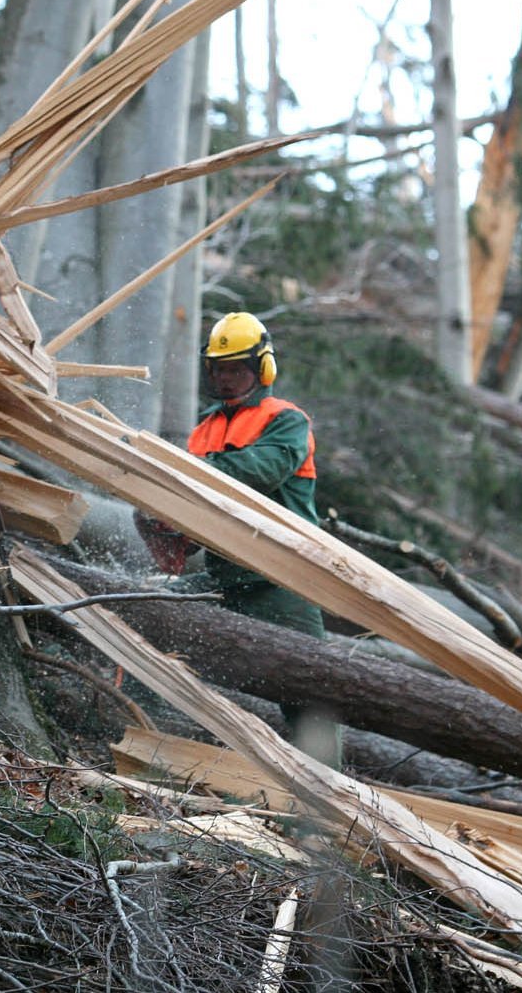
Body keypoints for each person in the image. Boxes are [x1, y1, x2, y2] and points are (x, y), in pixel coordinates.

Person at [141, 311, 340, 766]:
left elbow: (257, 473)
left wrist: (181, 472)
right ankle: (160, 762)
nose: (227, 378)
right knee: (152, 638)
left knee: (309, 698)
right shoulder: (203, 430)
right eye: (220, 369)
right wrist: (168, 520)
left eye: (237, 369)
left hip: (283, 580)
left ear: (262, 369)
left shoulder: (286, 421)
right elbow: (197, 506)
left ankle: (329, 808)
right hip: (225, 579)